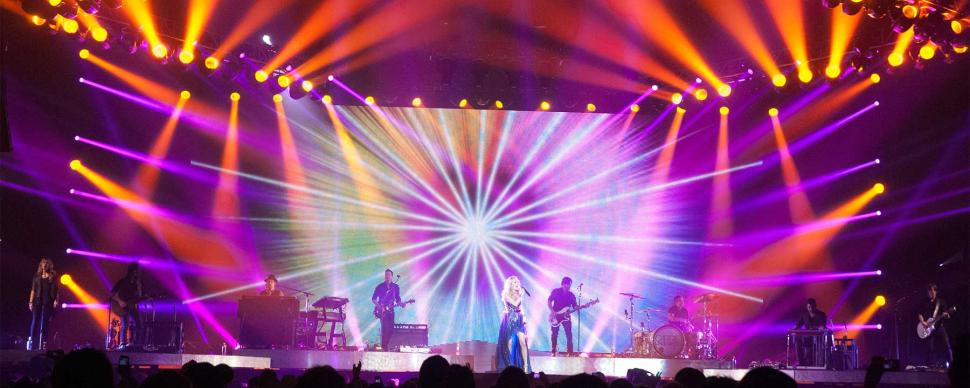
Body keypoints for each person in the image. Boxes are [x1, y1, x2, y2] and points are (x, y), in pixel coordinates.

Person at [496, 276, 530, 372]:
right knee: (509, 343)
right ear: (510, 284)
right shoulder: (506, 294)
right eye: (515, 283)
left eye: (518, 282)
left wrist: (524, 319)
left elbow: (520, 307)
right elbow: (515, 304)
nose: (517, 284)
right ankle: (510, 365)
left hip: (518, 319)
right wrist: (521, 296)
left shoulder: (519, 295)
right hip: (510, 319)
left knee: (522, 342)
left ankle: (525, 366)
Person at [28, 257, 59, 351]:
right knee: (35, 321)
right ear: (41, 265)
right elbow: (33, 290)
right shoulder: (37, 277)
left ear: (49, 265)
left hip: (48, 301)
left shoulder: (52, 276)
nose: (44, 265)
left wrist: (56, 300)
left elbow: (57, 290)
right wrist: (30, 301)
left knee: (45, 322)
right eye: (43, 263)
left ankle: (44, 342)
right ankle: (32, 340)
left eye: (46, 263)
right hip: (38, 301)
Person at [918, 283, 952, 368]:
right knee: (929, 348)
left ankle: (952, 364)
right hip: (928, 328)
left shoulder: (941, 301)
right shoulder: (924, 302)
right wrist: (923, 322)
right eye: (929, 291)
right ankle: (928, 366)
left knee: (946, 345)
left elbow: (946, 314)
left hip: (939, 327)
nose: (931, 292)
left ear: (936, 291)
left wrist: (947, 315)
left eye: (933, 290)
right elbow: (920, 314)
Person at [110, 263, 144, 349]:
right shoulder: (123, 282)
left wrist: (139, 287)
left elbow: (139, 297)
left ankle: (136, 344)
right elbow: (112, 294)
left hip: (132, 306)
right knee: (125, 324)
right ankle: (122, 343)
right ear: (132, 271)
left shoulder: (137, 283)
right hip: (123, 306)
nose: (137, 273)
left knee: (139, 324)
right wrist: (120, 301)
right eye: (136, 271)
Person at [372, 269, 402, 351]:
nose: (387, 276)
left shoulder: (395, 287)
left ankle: (387, 346)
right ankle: (384, 348)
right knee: (385, 329)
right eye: (386, 275)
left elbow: (398, 299)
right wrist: (379, 306)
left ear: (392, 276)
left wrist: (401, 304)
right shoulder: (380, 286)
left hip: (391, 311)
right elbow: (374, 299)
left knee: (391, 329)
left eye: (389, 275)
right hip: (382, 311)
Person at [794, 298, 828, 367]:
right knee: (798, 341)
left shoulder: (822, 315)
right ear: (807, 307)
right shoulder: (804, 315)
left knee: (819, 344)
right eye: (809, 307)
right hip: (808, 337)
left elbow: (823, 327)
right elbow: (798, 325)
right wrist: (793, 329)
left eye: (812, 307)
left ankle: (819, 362)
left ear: (815, 306)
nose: (811, 309)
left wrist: (815, 328)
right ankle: (801, 362)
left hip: (819, 338)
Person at [548, 276, 578, 355]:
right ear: (563, 284)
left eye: (570, 285)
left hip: (566, 316)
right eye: (567, 284)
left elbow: (574, 306)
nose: (568, 286)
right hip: (555, 316)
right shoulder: (556, 291)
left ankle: (570, 352)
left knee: (569, 334)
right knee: (554, 333)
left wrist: (580, 307)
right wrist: (552, 311)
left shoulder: (571, 295)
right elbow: (549, 301)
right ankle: (553, 350)